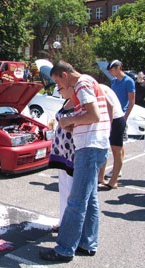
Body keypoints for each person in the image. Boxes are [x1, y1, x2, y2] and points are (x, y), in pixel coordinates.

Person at [40, 61, 110, 262]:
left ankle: (64, 249)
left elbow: (94, 115)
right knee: (90, 199)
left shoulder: (82, 84)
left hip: (89, 148)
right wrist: (74, 123)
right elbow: (90, 115)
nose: (60, 87)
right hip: (95, 145)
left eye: (58, 83)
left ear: (64, 75)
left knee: (76, 201)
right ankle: (87, 243)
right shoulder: (89, 82)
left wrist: (68, 121)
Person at [48, 85, 75, 232]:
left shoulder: (79, 103)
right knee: (63, 188)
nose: (58, 91)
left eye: (60, 88)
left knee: (71, 190)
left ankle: (70, 226)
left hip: (71, 151)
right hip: (61, 151)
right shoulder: (67, 101)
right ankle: (62, 220)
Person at [105, 60, 135, 178]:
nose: (110, 73)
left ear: (118, 68)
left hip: (121, 116)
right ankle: (117, 168)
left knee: (118, 145)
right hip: (114, 115)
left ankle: (117, 169)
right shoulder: (113, 81)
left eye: (112, 70)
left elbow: (132, 101)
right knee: (116, 144)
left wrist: (125, 117)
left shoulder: (129, 81)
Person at [98, 84, 126, 190]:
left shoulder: (97, 87)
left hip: (116, 120)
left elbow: (110, 105)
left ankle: (113, 181)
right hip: (111, 119)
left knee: (116, 151)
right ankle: (100, 178)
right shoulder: (96, 86)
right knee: (104, 147)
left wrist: (109, 123)